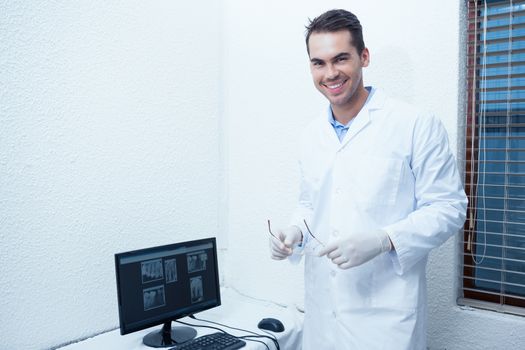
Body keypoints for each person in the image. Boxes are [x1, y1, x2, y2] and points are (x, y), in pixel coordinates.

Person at [269, 9, 467, 350]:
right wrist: (295, 232)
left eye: (340, 59)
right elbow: (310, 202)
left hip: (385, 321)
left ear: (364, 56)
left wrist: (383, 239)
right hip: (322, 316)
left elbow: (449, 208)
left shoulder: (415, 124)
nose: (330, 73)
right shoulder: (310, 135)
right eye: (319, 63)